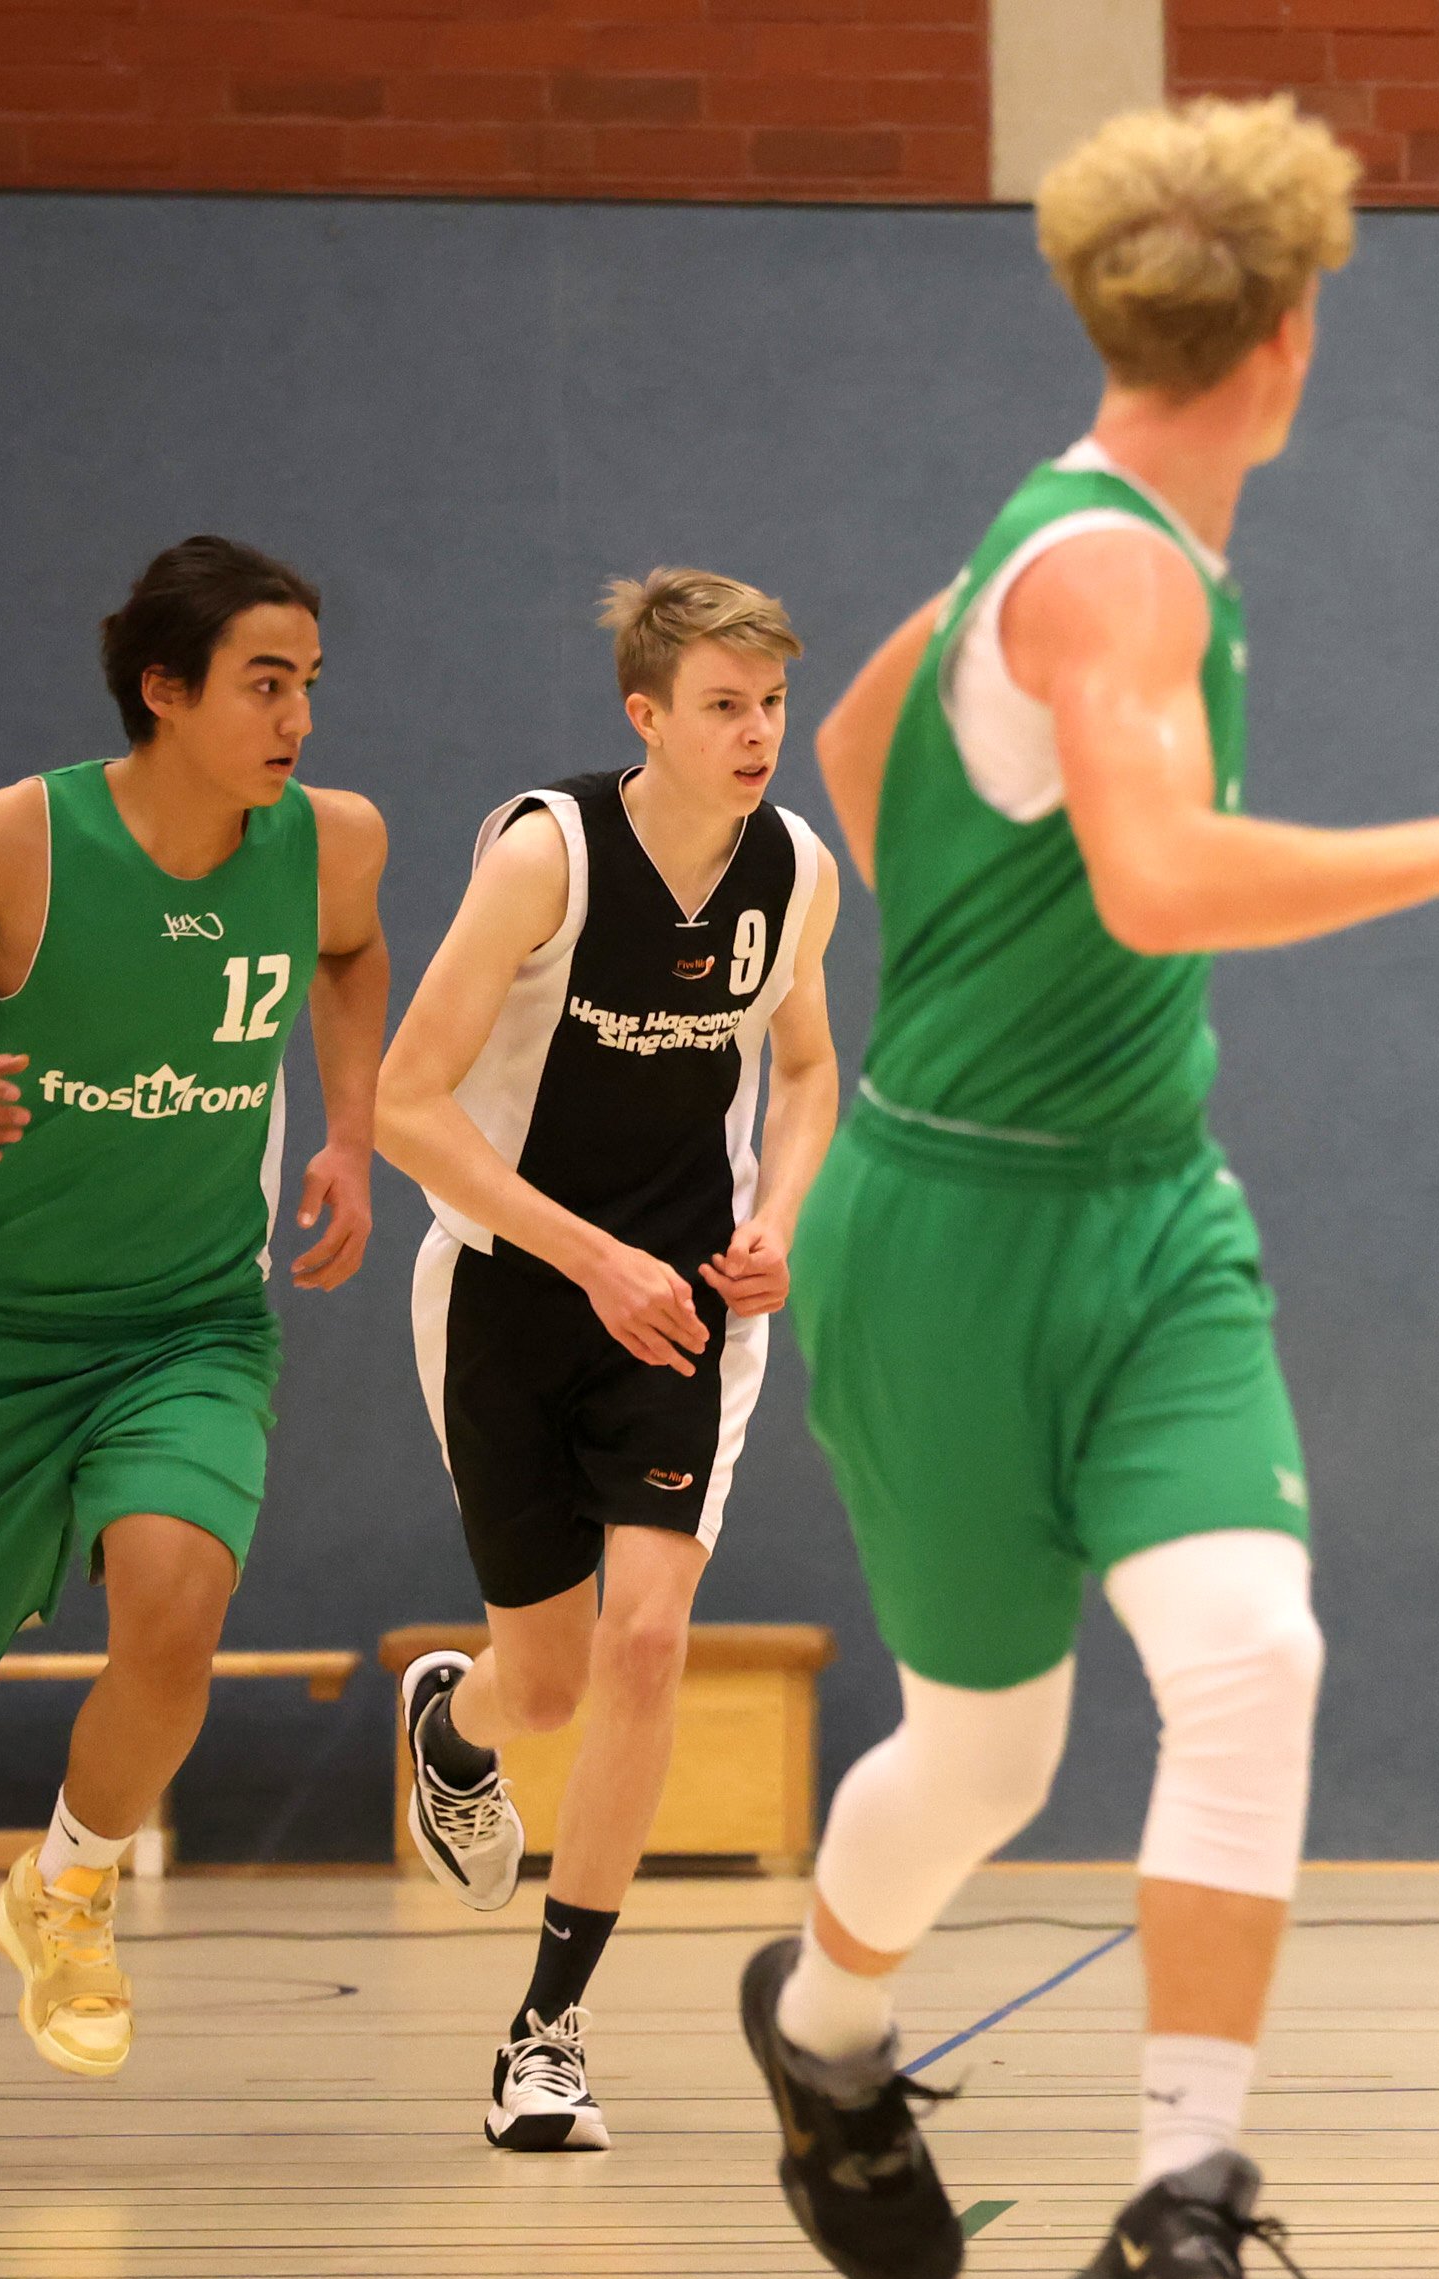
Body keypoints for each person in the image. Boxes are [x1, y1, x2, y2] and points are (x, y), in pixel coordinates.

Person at [742, 96, 1439, 2279]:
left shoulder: (1061, 544)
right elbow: (1149, 881)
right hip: (945, 1241)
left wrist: (977, 942)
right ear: (1290, 337)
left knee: (1251, 1659)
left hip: (1146, 1218)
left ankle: (1179, 2197)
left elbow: (865, 739)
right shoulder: (1116, 575)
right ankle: (821, 2032)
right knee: (985, 1758)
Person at [0, 535, 387, 2172]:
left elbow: (352, 955)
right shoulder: (12, 838)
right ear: (166, 690)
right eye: (264, 684)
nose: (297, 717)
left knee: (177, 1609)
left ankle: (66, 1884)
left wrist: (351, 1132)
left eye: (309, 684)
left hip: (190, 1322)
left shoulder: (331, 841)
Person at [377, 569, 841, 2153]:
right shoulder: (545, 858)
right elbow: (404, 1104)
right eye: (723, 705)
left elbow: (808, 1070)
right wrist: (590, 1255)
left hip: (687, 1311)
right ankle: (458, 1727)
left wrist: (778, 1220)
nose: (757, 733)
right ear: (646, 714)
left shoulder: (794, 872)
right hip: (510, 1292)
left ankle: (549, 2029)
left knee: (646, 1641)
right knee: (550, 1678)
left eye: (771, 703)